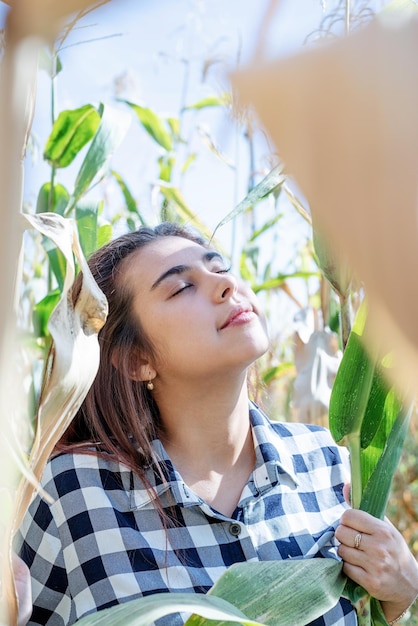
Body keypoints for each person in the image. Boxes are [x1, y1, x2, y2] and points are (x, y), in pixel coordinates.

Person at [16, 222, 418, 626]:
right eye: (181, 288)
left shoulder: (326, 463)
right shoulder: (75, 491)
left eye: (220, 267)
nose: (226, 286)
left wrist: (403, 595)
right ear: (138, 359)